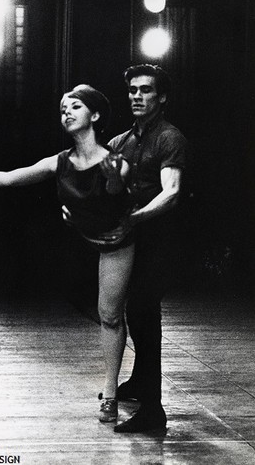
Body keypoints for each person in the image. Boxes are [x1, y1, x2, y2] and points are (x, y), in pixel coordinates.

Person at [0, 84, 135, 424]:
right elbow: (8, 179)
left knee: (109, 315)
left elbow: (115, 200)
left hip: (114, 242)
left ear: (94, 115)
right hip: (80, 240)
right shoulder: (60, 162)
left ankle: (110, 394)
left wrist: (110, 185)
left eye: (75, 106)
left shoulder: (114, 163)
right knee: (89, 306)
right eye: (63, 107)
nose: (66, 112)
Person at [108, 64, 187, 433]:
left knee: (143, 313)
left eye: (146, 90)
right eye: (132, 90)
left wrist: (135, 218)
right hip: (130, 240)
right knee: (130, 312)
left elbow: (170, 194)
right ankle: (139, 383)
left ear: (162, 97)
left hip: (161, 241)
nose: (137, 96)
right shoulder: (120, 142)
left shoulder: (170, 138)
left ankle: (154, 411)